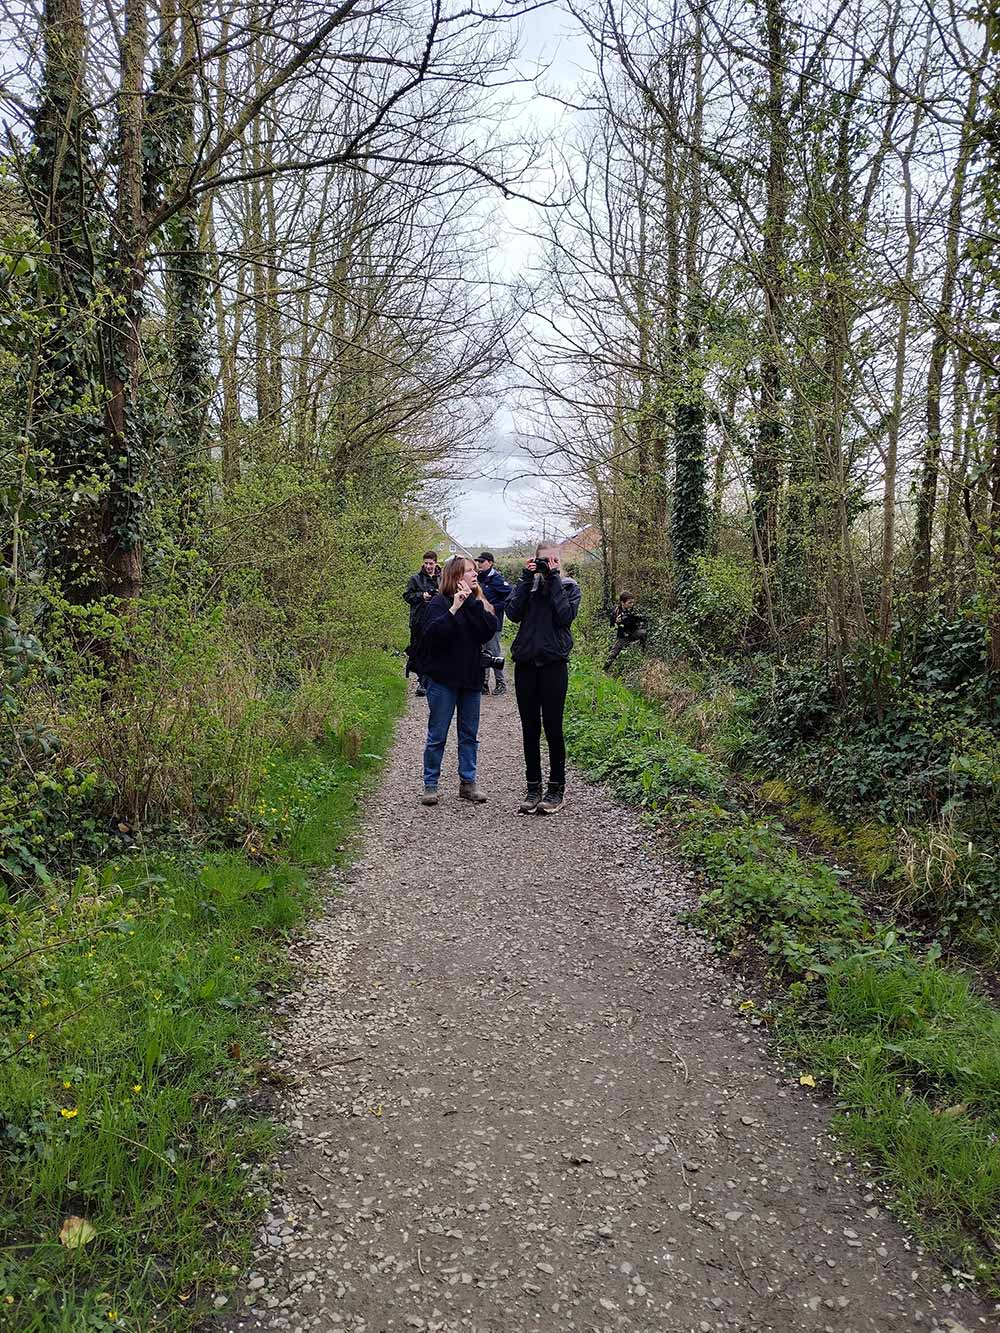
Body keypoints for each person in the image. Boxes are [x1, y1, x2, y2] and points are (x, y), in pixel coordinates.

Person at [506, 541, 581, 815]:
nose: (548, 565)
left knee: (553, 727)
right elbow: (512, 614)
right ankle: (533, 787)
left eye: (553, 561)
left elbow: (565, 617)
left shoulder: (570, 587)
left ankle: (556, 788)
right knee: (529, 728)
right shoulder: (528, 586)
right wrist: (526, 579)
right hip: (526, 663)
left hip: (553, 665)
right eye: (544, 561)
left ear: (560, 562)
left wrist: (554, 580)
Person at [416, 555, 497, 806]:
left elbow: (488, 630)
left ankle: (468, 783)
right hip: (442, 680)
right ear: (456, 576)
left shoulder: (478, 603)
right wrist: (454, 608)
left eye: (475, 571)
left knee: (469, 734)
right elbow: (431, 636)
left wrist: (471, 603)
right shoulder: (439, 603)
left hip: (471, 679)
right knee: (438, 734)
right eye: (470, 572)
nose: (475, 575)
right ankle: (430, 785)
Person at [475, 551, 512, 695]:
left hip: (494, 622)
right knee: (482, 652)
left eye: (482, 561)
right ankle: (484, 683)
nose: (479, 564)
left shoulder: (497, 579)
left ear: (490, 563)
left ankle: (500, 683)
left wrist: (495, 607)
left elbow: (509, 596)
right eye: (478, 561)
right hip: (480, 621)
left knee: (494, 652)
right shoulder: (478, 578)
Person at [403, 551, 440, 696]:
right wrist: (421, 596)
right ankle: (421, 681)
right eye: (426, 563)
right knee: (418, 650)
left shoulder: (442, 578)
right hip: (419, 620)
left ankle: (434, 679)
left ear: (436, 563)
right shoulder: (415, 579)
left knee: (436, 649)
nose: (428, 566)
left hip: (437, 619)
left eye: (431, 563)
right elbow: (407, 596)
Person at [605, 590, 648, 669]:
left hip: (633, 632)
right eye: (629, 603)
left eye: (632, 602)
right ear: (622, 602)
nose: (631, 605)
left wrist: (636, 619)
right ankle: (604, 669)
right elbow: (611, 624)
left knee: (643, 633)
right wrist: (616, 621)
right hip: (623, 635)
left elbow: (638, 619)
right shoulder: (616, 611)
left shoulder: (633, 609)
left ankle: (643, 653)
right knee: (614, 653)